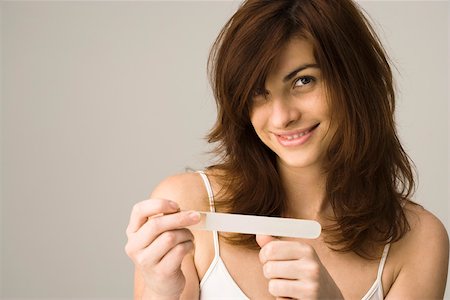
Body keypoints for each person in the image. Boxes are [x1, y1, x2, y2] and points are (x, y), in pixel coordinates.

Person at [125, 0, 449, 299]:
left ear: (354, 78)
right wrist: (158, 290)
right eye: (258, 92)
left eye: (303, 81)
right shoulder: (189, 206)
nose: (282, 117)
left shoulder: (418, 241)